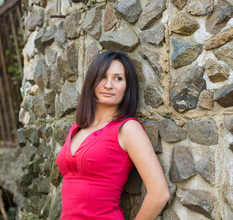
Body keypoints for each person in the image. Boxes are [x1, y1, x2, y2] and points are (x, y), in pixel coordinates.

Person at [56, 50, 169, 219]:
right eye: (102, 76)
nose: (108, 85)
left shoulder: (128, 129)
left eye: (118, 78)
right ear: (91, 81)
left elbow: (159, 194)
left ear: (127, 87)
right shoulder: (77, 128)